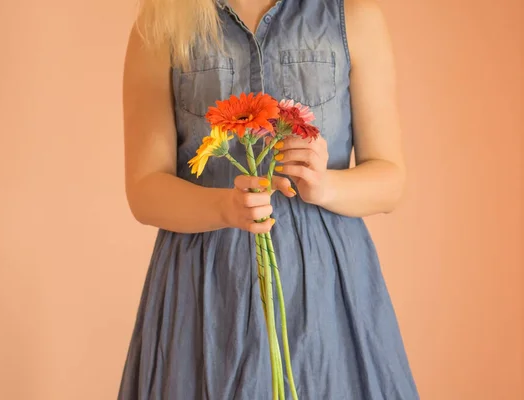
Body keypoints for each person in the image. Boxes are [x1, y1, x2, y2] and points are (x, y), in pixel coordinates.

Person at [118, 0, 419, 398]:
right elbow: (145, 189)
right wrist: (223, 207)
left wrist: (326, 186)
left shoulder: (354, 17)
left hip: (324, 291)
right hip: (206, 289)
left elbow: (390, 179)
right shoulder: (161, 25)